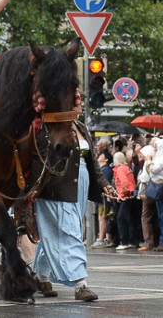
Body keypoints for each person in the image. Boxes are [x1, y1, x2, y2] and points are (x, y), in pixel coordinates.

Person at [32, 115, 113, 301]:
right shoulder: (46, 127)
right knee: (69, 230)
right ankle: (80, 283)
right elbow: (37, 159)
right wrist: (32, 190)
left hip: (80, 182)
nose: (76, 99)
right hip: (55, 186)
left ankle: (40, 276)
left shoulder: (80, 126)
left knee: (54, 231)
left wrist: (103, 183)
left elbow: (92, 161)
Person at [147, 137, 163, 251]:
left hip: (162, 187)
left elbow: (154, 169)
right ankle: (162, 240)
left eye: (157, 146)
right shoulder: (158, 157)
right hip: (156, 186)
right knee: (160, 216)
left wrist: (148, 161)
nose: (155, 149)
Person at [112, 151, 137, 250]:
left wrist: (121, 195)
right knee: (130, 219)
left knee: (121, 218)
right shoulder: (126, 168)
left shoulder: (120, 169)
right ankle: (132, 240)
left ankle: (124, 241)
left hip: (125, 196)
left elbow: (124, 183)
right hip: (131, 195)